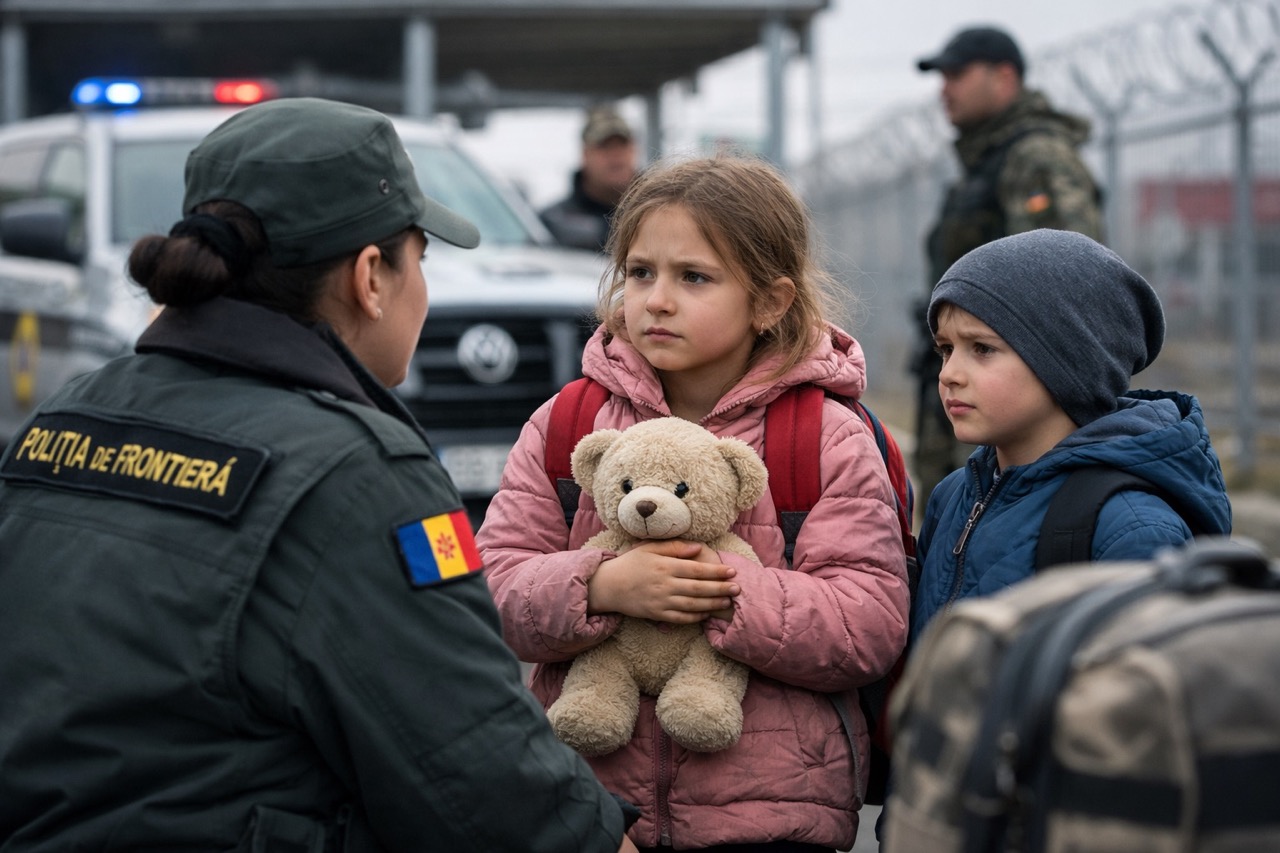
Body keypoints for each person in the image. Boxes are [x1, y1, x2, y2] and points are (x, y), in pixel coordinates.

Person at [0, 97, 638, 853]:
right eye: (420, 260)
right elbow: (491, 782)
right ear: (370, 277)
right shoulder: (363, 476)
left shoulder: (68, 415)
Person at [479, 154, 910, 852]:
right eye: (640, 272)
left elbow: (868, 623)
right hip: (590, 808)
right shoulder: (568, 423)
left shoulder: (823, 436)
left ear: (770, 301)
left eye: (694, 277)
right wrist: (600, 586)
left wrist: (715, 590)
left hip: (770, 819)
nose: (657, 299)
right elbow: (490, 588)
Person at [911, 229, 1233, 644]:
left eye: (982, 349)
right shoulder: (953, 495)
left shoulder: (1132, 529)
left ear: (1067, 362)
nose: (949, 374)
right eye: (945, 349)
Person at [911, 25, 1105, 510]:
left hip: (1009, 399)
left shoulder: (1035, 157)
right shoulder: (985, 164)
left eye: (957, 74)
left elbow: (1063, 282)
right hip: (973, 381)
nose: (945, 89)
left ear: (1004, 78)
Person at [539, 104, 639, 252]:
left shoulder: (658, 212)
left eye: (622, 145)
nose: (616, 154)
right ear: (585, 154)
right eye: (605, 146)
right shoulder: (552, 222)